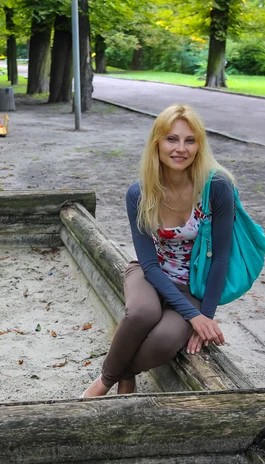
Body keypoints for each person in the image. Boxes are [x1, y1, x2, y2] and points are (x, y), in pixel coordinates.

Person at [82, 104, 235, 398]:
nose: (181, 149)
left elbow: (221, 259)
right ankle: (104, 381)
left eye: (190, 140)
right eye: (171, 139)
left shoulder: (216, 187)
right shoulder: (139, 193)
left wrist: (203, 317)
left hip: (192, 285)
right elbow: (149, 264)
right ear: (157, 143)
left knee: (165, 341)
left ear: (199, 145)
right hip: (149, 274)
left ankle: (127, 373)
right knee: (142, 313)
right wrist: (194, 316)